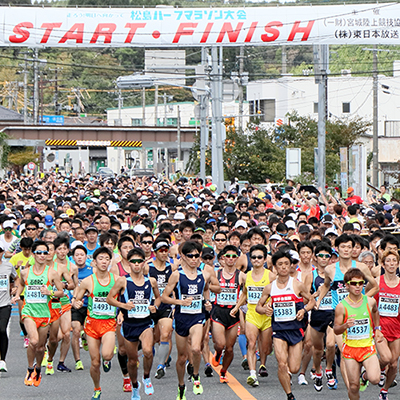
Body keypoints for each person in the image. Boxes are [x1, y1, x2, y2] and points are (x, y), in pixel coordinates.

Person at [316, 234, 379, 389]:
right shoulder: (330, 269)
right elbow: (326, 285)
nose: (345, 250)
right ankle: (351, 388)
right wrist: (318, 300)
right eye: (342, 247)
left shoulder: (361, 267)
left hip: (359, 314)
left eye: (349, 247)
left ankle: (363, 375)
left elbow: (375, 286)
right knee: (340, 350)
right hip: (339, 313)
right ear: (337, 249)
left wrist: (363, 300)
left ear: (353, 249)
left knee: (356, 347)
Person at [161, 240, 221, 400]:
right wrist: (179, 302)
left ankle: (195, 376)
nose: (194, 259)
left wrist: (207, 302)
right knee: (181, 358)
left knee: (196, 349)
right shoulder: (176, 275)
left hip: (197, 317)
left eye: (197, 256)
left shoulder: (205, 274)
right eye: (191, 256)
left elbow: (206, 289)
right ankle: (181, 386)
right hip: (181, 317)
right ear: (183, 257)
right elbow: (164, 297)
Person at [256, 250, 315, 400]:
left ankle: (290, 373)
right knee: (282, 364)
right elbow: (258, 307)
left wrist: (304, 309)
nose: (283, 267)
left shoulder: (297, 285)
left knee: (294, 368)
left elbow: (312, 301)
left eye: (286, 264)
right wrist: (265, 309)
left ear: (290, 267)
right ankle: (289, 395)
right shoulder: (270, 288)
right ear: (274, 267)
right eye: (280, 264)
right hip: (279, 330)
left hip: (295, 329)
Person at [107, 247, 161, 400]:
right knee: (131, 361)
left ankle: (146, 377)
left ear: (144, 262)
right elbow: (110, 299)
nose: (137, 264)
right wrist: (124, 306)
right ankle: (135, 386)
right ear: (129, 263)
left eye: (140, 261)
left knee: (148, 351)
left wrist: (154, 306)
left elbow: (158, 298)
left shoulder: (151, 281)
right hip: (129, 325)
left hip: (145, 323)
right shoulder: (123, 281)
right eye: (134, 262)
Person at [13, 241, 64, 387]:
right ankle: (30, 369)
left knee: (41, 347)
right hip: (29, 311)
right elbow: (22, 283)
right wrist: (17, 294)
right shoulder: (25, 271)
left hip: (44, 312)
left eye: (45, 252)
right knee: (33, 341)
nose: (42, 255)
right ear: (34, 254)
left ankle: (38, 369)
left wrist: (50, 292)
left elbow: (61, 292)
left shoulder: (52, 272)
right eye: (39, 252)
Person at [73, 247, 117, 400]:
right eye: (101, 259)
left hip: (109, 323)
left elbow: (124, 298)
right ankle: (97, 388)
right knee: (95, 362)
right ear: (95, 262)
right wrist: (75, 303)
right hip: (92, 325)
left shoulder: (116, 280)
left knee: (106, 355)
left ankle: (108, 356)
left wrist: (123, 312)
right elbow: (77, 298)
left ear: (110, 261)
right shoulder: (88, 281)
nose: (104, 261)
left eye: (106, 259)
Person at [333, 268, 384, 400]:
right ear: (347, 285)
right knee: (354, 386)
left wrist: (377, 329)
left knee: (375, 378)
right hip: (350, 349)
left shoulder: (370, 301)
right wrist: (345, 326)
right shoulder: (341, 306)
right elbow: (336, 329)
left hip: (367, 347)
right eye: (354, 283)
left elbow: (375, 312)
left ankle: (364, 376)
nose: (358, 286)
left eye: (361, 283)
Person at [231, 244, 276, 387]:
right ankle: (252, 374)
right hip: (251, 313)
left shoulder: (270, 275)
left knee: (265, 347)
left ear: (264, 259)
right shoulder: (247, 276)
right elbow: (244, 293)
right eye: (254, 257)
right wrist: (237, 307)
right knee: (251, 343)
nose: (256, 260)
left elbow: (278, 293)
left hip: (267, 315)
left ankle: (262, 364)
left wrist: (272, 306)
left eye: (259, 257)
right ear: (250, 259)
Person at [211, 245, 246, 383]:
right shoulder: (215, 274)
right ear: (223, 258)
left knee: (230, 348)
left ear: (237, 258)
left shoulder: (241, 276)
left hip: (233, 313)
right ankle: (218, 353)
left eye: (233, 256)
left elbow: (246, 293)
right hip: (218, 310)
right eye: (228, 256)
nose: (230, 259)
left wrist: (238, 306)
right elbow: (206, 287)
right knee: (220, 344)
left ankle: (224, 371)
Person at [371, 249, 400, 400]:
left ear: (398, 264)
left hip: (397, 327)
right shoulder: (376, 282)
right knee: (387, 358)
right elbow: (367, 302)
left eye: (394, 261)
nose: (391, 264)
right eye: (388, 261)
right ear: (382, 264)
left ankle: (384, 391)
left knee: (394, 365)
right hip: (380, 327)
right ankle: (372, 370)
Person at [46, 236, 77, 373]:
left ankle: (61, 362)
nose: (62, 252)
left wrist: (62, 285)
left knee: (66, 335)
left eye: (65, 249)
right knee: (55, 337)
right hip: (47, 304)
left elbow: (72, 285)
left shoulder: (64, 267)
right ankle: (48, 357)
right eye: (59, 249)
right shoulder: (40, 267)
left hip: (63, 302)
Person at [309, 242, 337, 391]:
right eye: (321, 256)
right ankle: (318, 372)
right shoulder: (311, 275)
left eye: (328, 256)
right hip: (317, 314)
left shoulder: (335, 274)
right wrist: (314, 296)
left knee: (331, 344)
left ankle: (328, 370)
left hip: (332, 313)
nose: (325, 258)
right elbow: (304, 296)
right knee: (318, 349)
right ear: (316, 258)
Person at [145, 239, 174, 379]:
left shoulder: (172, 267)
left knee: (166, 334)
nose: (164, 253)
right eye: (161, 250)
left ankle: (160, 366)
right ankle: (152, 356)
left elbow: (176, 288)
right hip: (150, 307)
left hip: (166, 307)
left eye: (166, 250)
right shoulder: (147, 267)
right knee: (153, 339)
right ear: (155, 252)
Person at [70, 244, 93, 371]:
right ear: (73, 257)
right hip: (75, 305)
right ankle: (78, 360)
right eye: (77, 255)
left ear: (86, 257)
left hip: (89, 305)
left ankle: (85, 338)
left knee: (88, 332)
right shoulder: (71, 270)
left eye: (82, 255)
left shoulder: (92, 270)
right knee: (76, 330)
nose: (79, 257)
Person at [0, 245, 19, 372]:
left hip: (5, 304)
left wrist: (15, 288)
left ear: (2, 253)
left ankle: (3, 360)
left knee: (2, 330)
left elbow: (16, 278)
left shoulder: (7, 266)